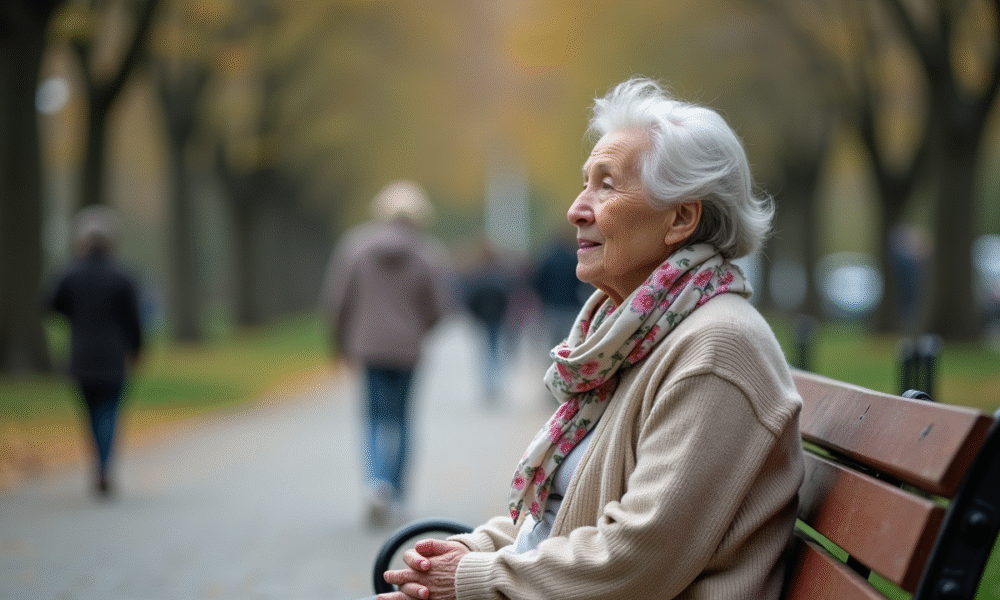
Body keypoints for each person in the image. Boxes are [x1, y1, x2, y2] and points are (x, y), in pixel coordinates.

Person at [377, 77, 805, 600]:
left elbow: (636, 558)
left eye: (606, 185)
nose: (577, 208)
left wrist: (474, 580)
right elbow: (569, 509)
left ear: (681, 217)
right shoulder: (636, 334)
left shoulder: (715, 348)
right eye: (586, 183)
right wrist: (476, 549)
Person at [320, 180, 454, 528]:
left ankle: (375, 484)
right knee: (404, 420)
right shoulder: (428, 252)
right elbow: (441, 307)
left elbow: (337, 301)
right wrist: (418, 330)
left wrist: (338, 343)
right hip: (408, 349)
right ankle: (396, 492)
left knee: (373, 417)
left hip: (367, 347)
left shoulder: (355, 247)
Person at [49, 206, 144, 498]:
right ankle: (104, 466)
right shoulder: (122, 275)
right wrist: (137, 349)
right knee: (109, 413)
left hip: (81, 355)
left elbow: (51, 304)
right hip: (114, 355)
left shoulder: (70, 273)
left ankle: (98, 464)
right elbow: (134, 319)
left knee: (91, 414)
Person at [461, 240, 515, 403]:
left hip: (483, 317)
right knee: (496, 349)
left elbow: (469, 297)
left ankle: (488, 383)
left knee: (485, 351)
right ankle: (495, 382)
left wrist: (474, 315)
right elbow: (508, 296)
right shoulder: (501, 274)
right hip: (498, 317)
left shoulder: (475, 275)